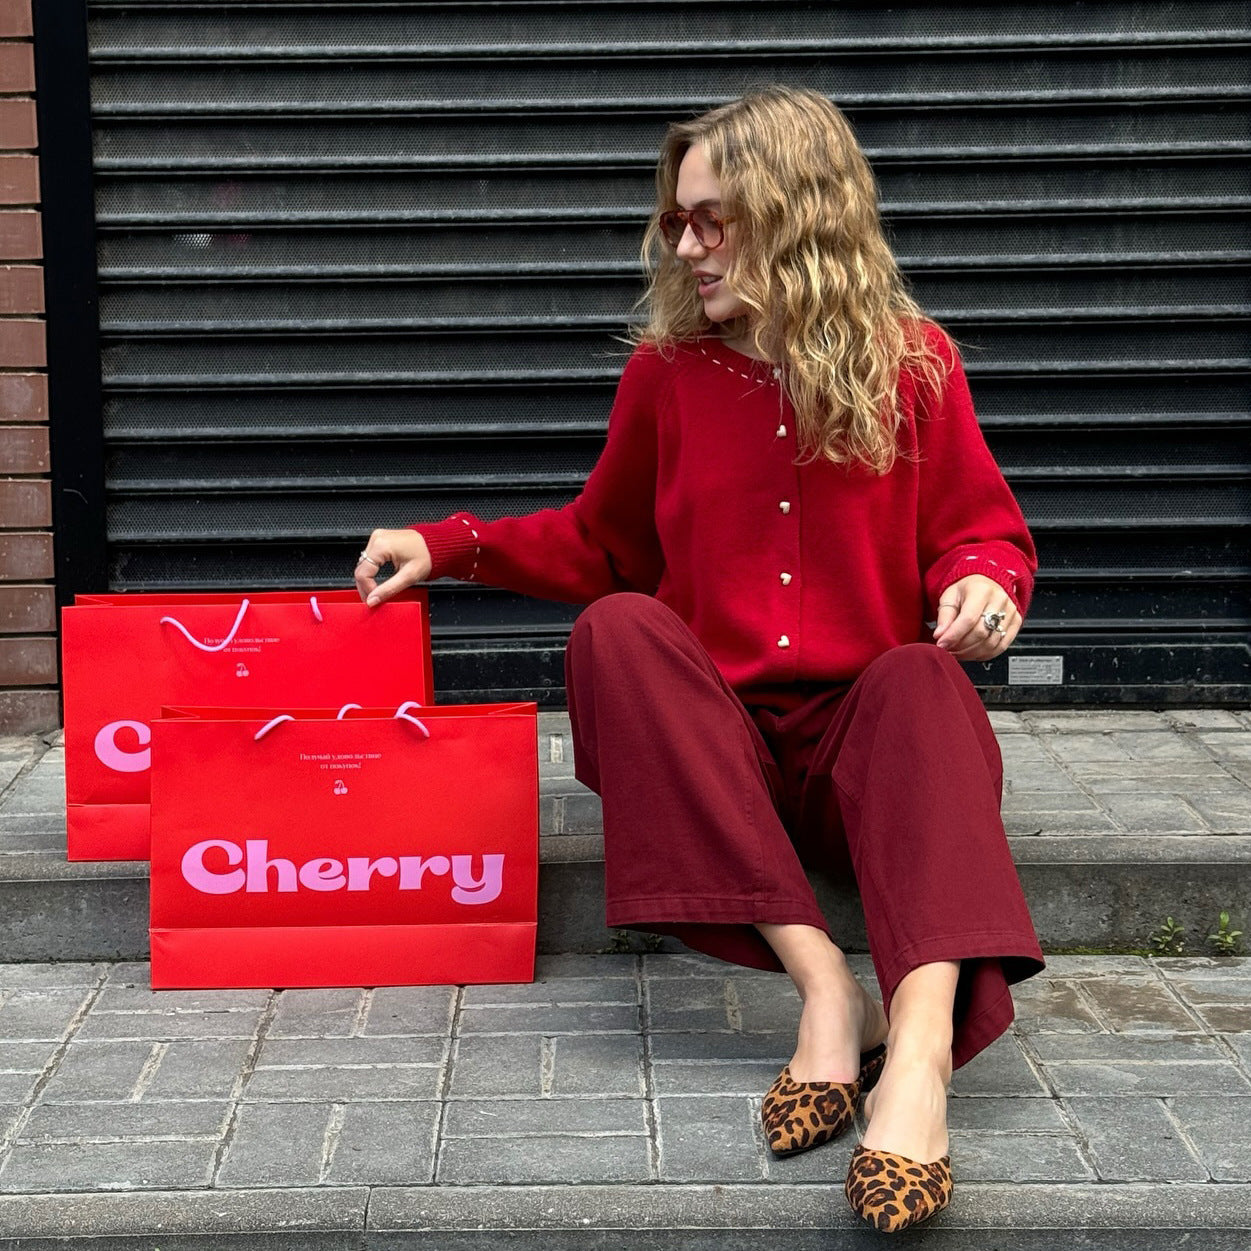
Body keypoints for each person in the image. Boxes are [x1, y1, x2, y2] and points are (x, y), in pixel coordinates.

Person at [354, 85, 1044, 1234]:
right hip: (722, 761)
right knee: (618, 629)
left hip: (864, 757)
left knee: (922, 678)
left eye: (712, 219)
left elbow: (983, 530)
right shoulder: (668, 376)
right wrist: (450, 545)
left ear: (796, 211)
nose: (684, 245)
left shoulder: (914, 365)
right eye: (677, 220)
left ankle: (919, 1056)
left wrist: (984, 583)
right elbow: (602, 545)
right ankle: (827, 992)